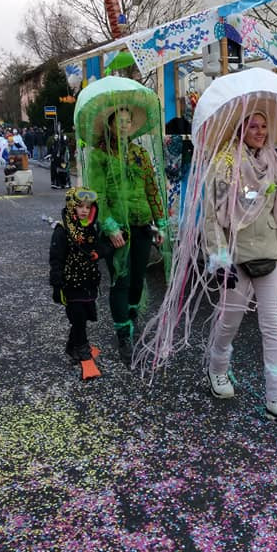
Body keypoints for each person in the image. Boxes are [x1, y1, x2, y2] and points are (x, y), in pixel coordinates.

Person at [205, 111, 277, 427]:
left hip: (269, 251)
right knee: (230, 320)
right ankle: (217, 367)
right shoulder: (224, 164)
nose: (260, 132)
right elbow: (212, 216)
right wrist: (218, 258)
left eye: (264, 126)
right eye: (252, 126)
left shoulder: (274, 164)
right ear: (240, 129)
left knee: (272, 326)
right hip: (235, 254)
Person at [86, 107, 168, 363]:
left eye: (128, 122)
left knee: (137, 279)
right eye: (119, 122)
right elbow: (96, 194)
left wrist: (160, 222)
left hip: (142, 225)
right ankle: (123, 334)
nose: (124, 126)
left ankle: (131, 322)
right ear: (109, 125)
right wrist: (109, 226)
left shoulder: (140, 154)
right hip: (118, 229)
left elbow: (152, 188)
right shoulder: (99, 156)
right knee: (120, 280)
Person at [49, 188, 111, 380]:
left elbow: (102, 246)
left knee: (82, 318)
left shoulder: (91, 227)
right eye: (80, 207)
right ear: (72, 207)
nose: (84, 211)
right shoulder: (62, 230)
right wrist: (57, 285)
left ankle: (71, 348)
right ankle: (85, 358)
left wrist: (98, 253)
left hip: (88, 283)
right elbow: (56, 259)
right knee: (78, 318)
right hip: (71, 285)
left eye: (88, 207)